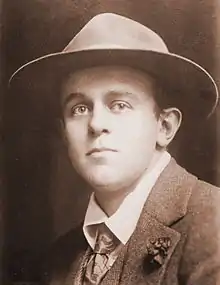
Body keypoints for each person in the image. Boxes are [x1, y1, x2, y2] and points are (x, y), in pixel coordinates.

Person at [9, 13, 220, 285]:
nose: (96, 124)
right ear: (64, 133)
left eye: (119, 105)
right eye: (79, 109)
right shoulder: (58, 261)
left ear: (164, 126)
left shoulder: (212, 222)